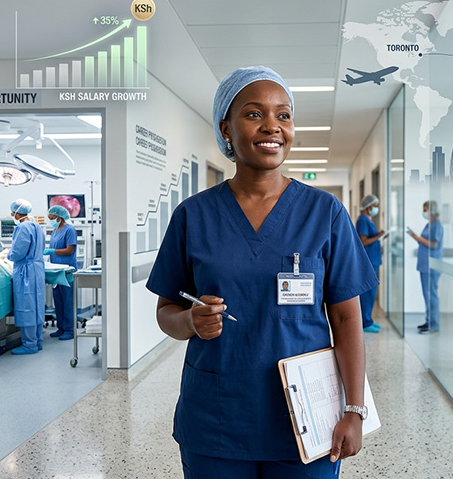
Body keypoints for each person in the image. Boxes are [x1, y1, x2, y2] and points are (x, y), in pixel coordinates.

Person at [146, 66, 377, 478]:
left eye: (283, 115)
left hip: (307, 419)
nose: (272, 126)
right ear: (226, 129)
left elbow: (346, 318)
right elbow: (167, 311)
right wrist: (191, 321)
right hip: (217, 418)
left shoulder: (324, 213)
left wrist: (354, 409)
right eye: (254, 114)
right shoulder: (193, 216)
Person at [6, 199, 46, 355]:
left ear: (16, 213)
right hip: (37, 270)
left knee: (27, 307)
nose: (12, 215)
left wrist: (7, 255)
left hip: (26, 271)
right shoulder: (36, 226)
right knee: (37, 306)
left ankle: (29, 344)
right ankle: (38, 340)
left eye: (13, 212)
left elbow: (18, 253)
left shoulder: (22, 227)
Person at [408, 200, 443, 334]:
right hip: (424, 265)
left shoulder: (437, 225)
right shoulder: (429, 224)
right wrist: (415, 237)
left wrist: (415, 236)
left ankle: (433, 325)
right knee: (426, 295)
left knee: (431, 295)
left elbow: (433, 244)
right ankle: (428, 321)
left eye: (425, 209)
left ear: (432, 210)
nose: (424, 212)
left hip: (432, 265)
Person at [44, 205, 77, 340]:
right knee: (58, 300)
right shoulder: (55, 230)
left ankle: (70, 329)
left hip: (67, 270)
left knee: (68, 301)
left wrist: (52, 251)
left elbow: (69, 250)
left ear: (59, 217)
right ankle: (61, 327)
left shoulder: (70, 230)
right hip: (56, 270)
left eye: (51, 217)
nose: (50, 220)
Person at [356, 194, 388, 333]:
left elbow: (371, 239)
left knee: (371, 292)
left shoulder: (368, 219)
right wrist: (379, 235)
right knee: (367, 292)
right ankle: (364, 322)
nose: (376, 208)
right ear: (368, 207)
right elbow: (362, 241)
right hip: (368, 260)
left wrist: (380, 237)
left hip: (373, 259)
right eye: (375, 206)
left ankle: (368, 320)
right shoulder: (363, 220)